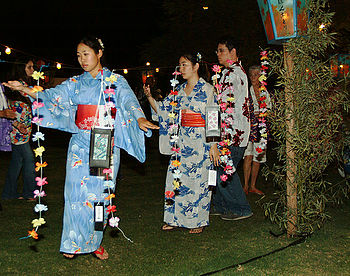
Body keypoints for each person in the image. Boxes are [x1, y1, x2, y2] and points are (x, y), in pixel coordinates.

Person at [3, 36, 158, 259]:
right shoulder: (75, 83)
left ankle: (95, 241)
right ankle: (73, 242)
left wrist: (139, 118)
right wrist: (26, 89)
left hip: (104, 142)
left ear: (99, 53)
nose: (82, 59)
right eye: (78, 55)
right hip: (80, 142)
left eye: (86, 53)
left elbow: (128, 102)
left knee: (100, 194)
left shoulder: (115, 80)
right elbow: (51, 96)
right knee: (75, 193)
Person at [144, 52, 220, 234]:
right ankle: (174, 218)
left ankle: (198, 221)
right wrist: (149, 97)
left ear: (196, 66)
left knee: (199, 182)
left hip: (201, 142)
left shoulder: (209, 90)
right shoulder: (177, 91)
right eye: (180, 65)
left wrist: (214, 145)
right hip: (181, 141)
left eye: (185, 64)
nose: (181, 69)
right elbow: (163, 111)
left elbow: (213, 119)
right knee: (175, 179)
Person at [210, 36, 255, 221]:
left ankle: (241, 208)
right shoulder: (237, 72)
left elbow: (222, 104)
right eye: (217, 51)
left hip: (233, 134)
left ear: (233, 52)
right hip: (236, 132)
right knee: (220, 167)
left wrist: (212, 96)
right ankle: (220, 205)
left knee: (225, 170)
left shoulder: (232, 74)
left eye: (222, 50)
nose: (218, 54)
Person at [2, 59, 36, 201]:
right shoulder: (16, 86)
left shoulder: (24, 85)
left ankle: (9, 193)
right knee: (29, 159)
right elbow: (9, 109)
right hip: (17, 131)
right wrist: (17, 124)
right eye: (29, 67)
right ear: (22, 68)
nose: (32, 70)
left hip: (24, 130)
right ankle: (29, 193)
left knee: (17, 162)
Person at [243, 65, 271, 196]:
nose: (253, 77)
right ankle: (245, 186)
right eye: (251, 75)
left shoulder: (264, 91)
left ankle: (253, 186)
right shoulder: (246, 91)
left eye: (256, 74)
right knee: (247, 156)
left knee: (257, 157)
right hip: (249, 127)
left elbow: (270, 110)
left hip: (262, 127)